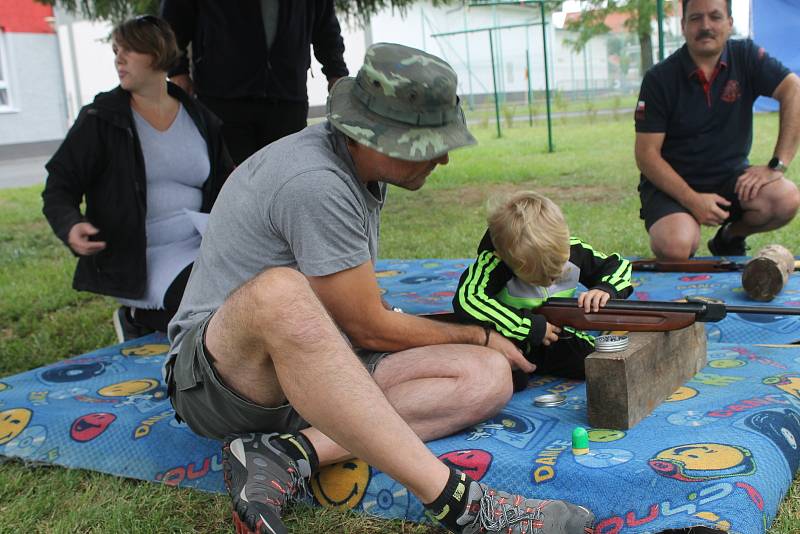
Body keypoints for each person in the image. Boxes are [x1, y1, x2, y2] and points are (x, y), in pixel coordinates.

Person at [166, 43, 594, 534]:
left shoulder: (365, 167)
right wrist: (476, 333)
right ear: (379, 136)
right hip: (224, 381)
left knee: (488, 376)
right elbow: (368, 326)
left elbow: (357, 321)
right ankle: (463, 506)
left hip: (309, 369)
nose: (446, 159)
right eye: (432, 143)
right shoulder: (316, 182)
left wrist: (482, 346)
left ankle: (284, 454)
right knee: (279, 291)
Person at [42, 15, 234, 343]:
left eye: (129, 50)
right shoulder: (100, 119)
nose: (118, 58)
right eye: (116, 50)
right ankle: (139, 314)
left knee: (260, 287)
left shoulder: (199, 117)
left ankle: (153, 318)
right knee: (212, 310)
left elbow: (228, 183)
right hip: (141, 254)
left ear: (157, 53)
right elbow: (59, 184)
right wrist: (70, 224)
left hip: (201, 243)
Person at [634, 0, 800, 261]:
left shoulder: (745, 56)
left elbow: (793, 89)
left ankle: (729, 237)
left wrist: (776, 165)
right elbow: (646, 155)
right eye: (696, 18)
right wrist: (692, 200)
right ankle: (685, 226)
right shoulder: (659, 79)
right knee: (674, 247)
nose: (706, 26)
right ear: (683, 26)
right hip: (673, 185)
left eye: (715, 16)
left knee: (785, 198)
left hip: (729, 177)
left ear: (730, 23)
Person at [452, 191, 633, 390]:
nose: (552, 278)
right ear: (507, 259)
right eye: (540, 275)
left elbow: (619, 265)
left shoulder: (572, 249)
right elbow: (468, 298)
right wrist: (527, 325)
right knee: (507, 380)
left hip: (557, 336)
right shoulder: (494, 262)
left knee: (597, 363)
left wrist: (606, 289)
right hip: (509, 340)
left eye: (559, 267)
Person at [160, 0, 349, 164]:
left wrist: (336, 73)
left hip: (287, 99)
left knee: (285, 182)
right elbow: (172, 22)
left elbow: (326, 26)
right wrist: (177, 71)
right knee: (230, 187)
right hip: (222, 99)